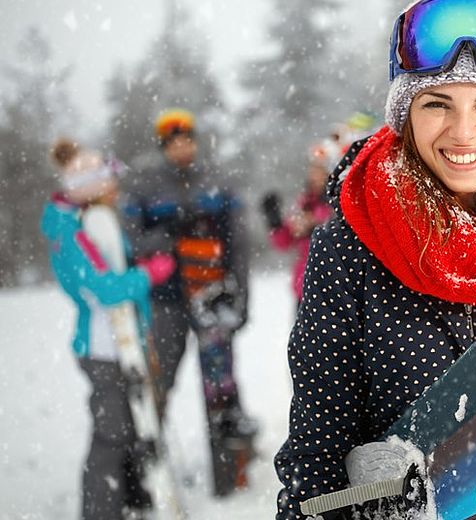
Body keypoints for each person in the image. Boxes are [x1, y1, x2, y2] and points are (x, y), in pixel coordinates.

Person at [273, 1, 476, 517]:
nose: (463, 132)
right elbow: (315, 461)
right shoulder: (351, 247)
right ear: (406, 113)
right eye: (437, 104)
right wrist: (366, 499)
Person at [121, 109, 258, 496]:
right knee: (159, 381)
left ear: (195, 141)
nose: (181, 148)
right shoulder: (146, 187)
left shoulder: (218, 183)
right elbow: (129, 239)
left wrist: (241, 297)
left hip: (213, 298)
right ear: (163, 147)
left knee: (221, 386)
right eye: (173, 143)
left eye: (186, 140)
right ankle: (142, 474)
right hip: (166, 303)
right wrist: (165, 241)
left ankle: (231, 472)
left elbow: (239, 243)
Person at [41, 139, 176, 519]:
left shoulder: (89, 220)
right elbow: (102, 288)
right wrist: (148, 274)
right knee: (111, 435)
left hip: (122, 343)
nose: (115, 189)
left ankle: (132, 501)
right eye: (109, 181)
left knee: (131, 429)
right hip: (103, 347)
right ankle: (101, 510)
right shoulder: (72, 229)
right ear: (90, 185)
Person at [261, 146, 334, 305]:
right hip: (305, 286)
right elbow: (284, 242)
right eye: (312, 169)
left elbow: (331, 221)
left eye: (319, 169)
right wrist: (274, 221)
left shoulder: (339, 201)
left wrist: (313, 222)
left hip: (332, 285)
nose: (314, 175)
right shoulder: (305, 201)